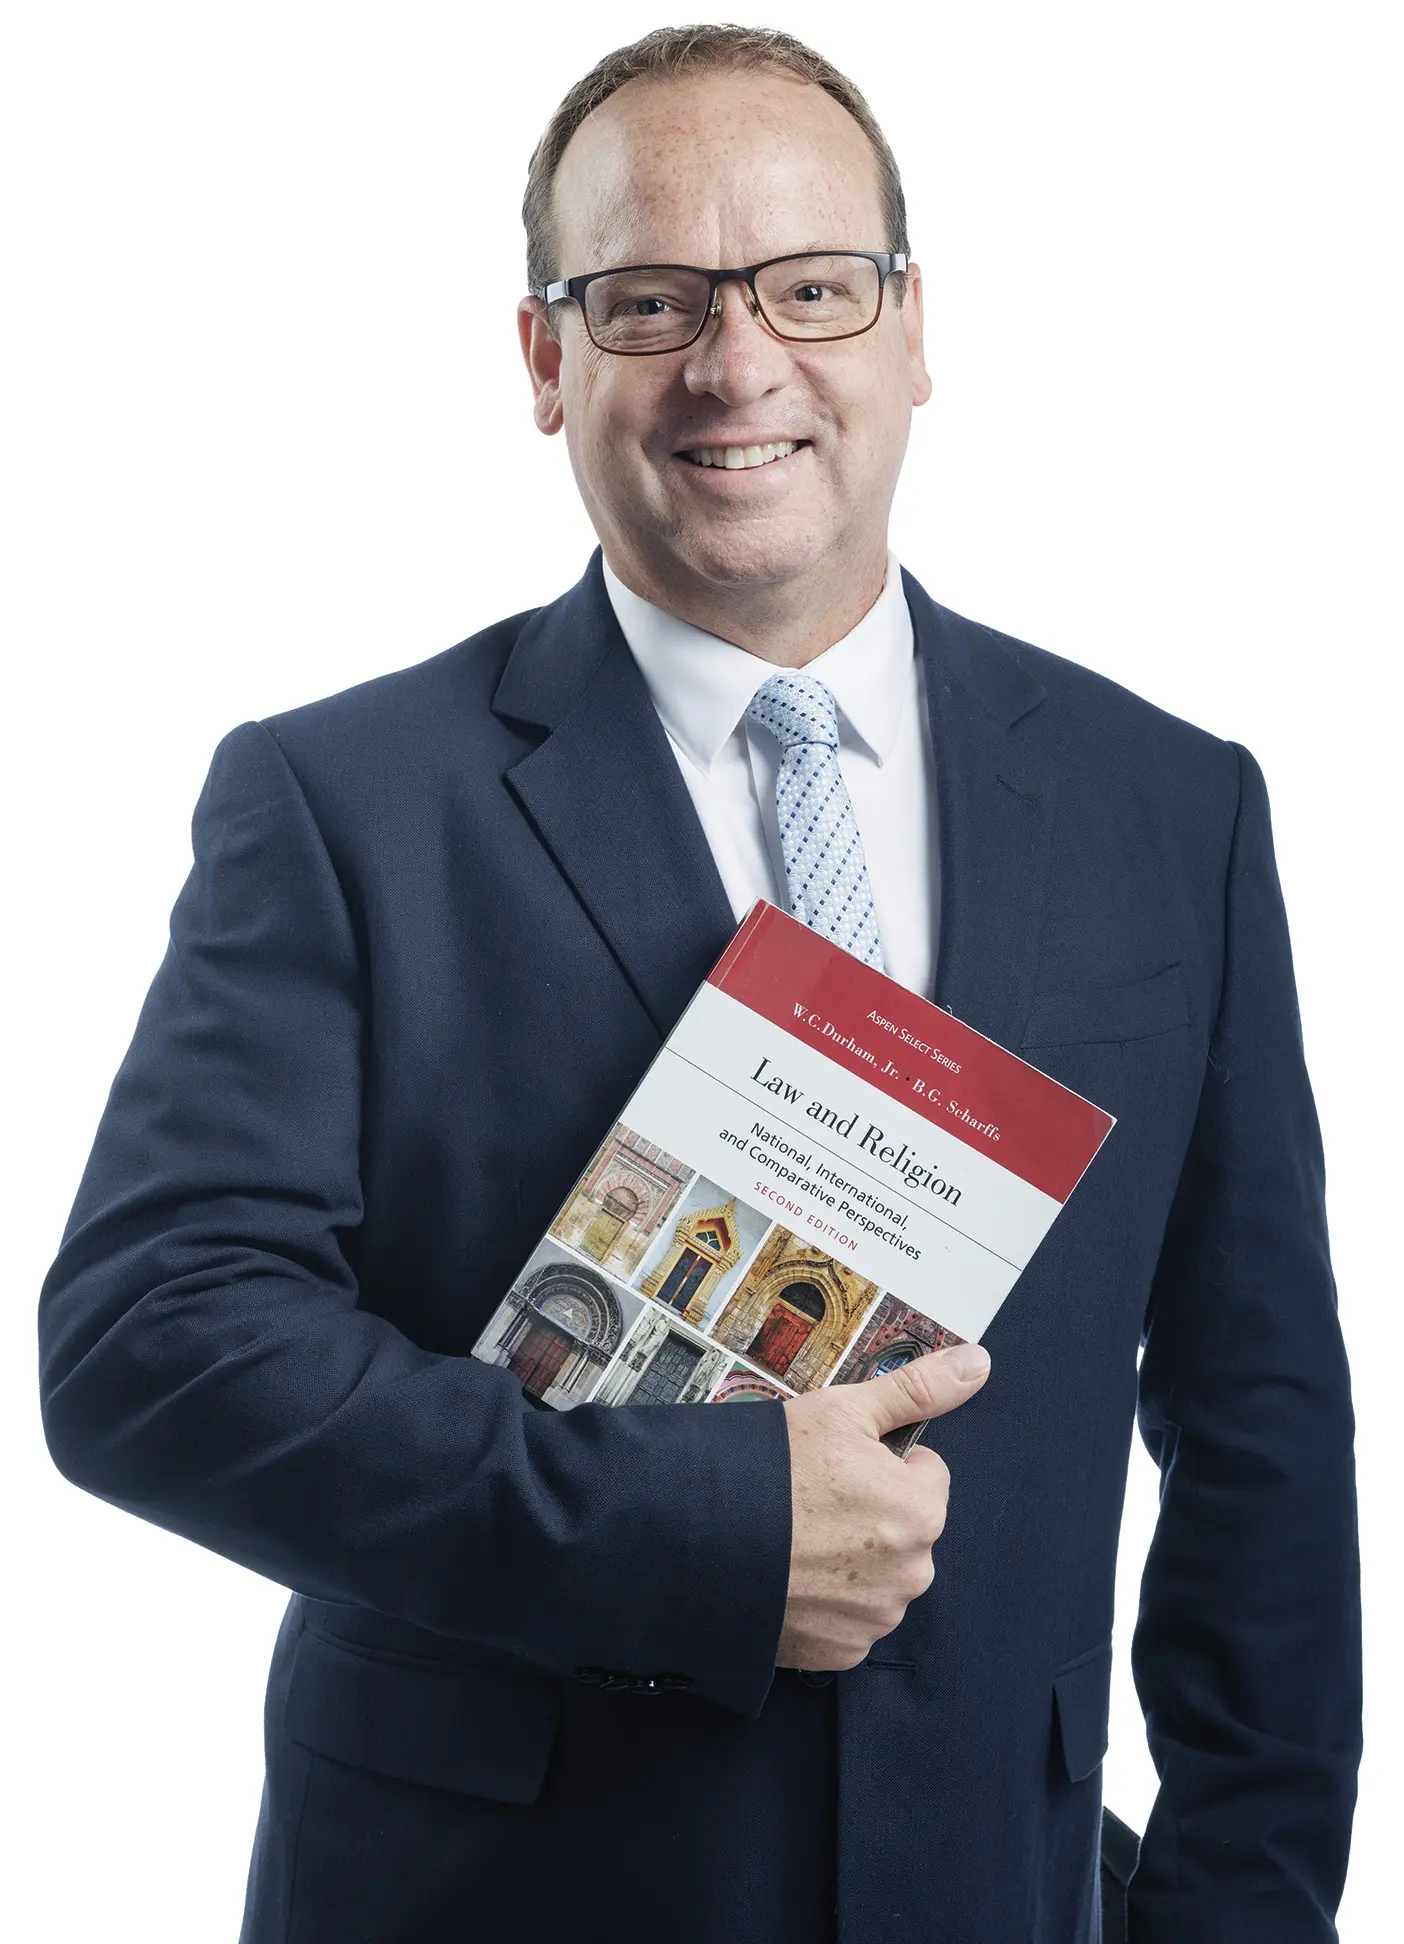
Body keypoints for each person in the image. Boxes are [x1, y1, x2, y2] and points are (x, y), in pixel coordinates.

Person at [37, 23, 1360, 1944]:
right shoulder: (338, 801)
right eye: (650, 298)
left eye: (813, 287)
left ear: (916, 331)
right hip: (494, 1893)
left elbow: (1261, 1428)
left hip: (1007, 1889)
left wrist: (1245, 1914)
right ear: (546, 359)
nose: (741, 364)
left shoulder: (1175, 806)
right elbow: (152, 1346)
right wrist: (708, 1533)